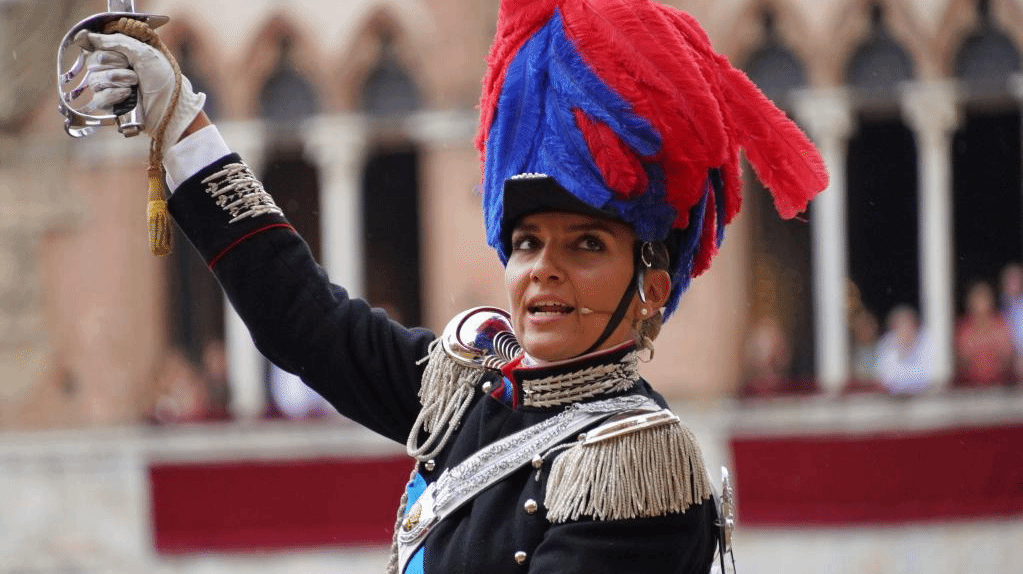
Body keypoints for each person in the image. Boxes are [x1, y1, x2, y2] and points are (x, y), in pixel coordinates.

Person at [78, 0, 827, 571]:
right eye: (527, 241)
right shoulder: (471, 388)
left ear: (651, 287)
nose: (544, 269)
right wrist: (180, 123)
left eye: (587, 245)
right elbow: (302, 319)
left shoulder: (639, 469)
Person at [955, 281, 1013, 387]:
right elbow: (961, 362)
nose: (980, 303)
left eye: (984, 298)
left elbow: (1006, 358)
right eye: (977, 299)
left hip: (998, 386)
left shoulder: (1000, 324)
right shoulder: (963, 328)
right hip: (969, 387)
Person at [876, 305, 933, 394]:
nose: (905, 329)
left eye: (908, 324)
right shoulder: (887, 344)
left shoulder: (928, 341)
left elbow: (931, 376)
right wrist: (902, 351)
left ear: (915, 325)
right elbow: (887, 379)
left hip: (926, 398)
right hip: (895, 401)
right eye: (901, 325)